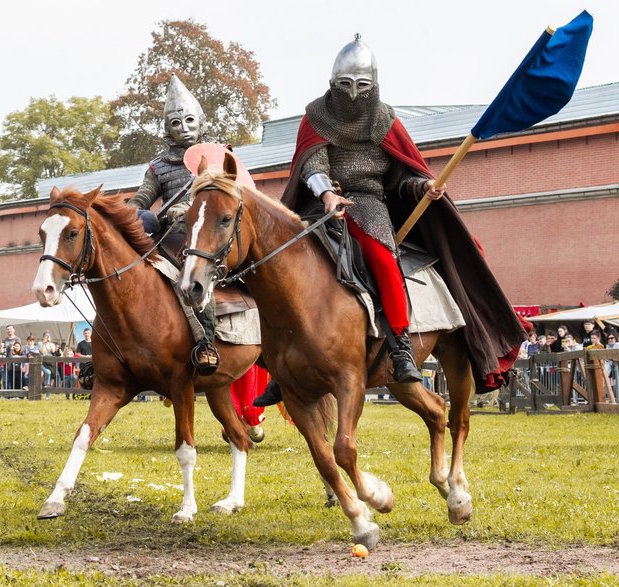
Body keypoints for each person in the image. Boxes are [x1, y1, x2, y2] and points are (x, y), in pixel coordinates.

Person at [257, 34, 525, 406]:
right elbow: (312, 162)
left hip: (369, 204)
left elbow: (401, 176)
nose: (353, 94)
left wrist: (423, 187)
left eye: (361, 85)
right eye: (345, 85)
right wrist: (327, 193)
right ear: (333, 83)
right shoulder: (316, 115)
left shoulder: (385, 119)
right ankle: (276, 364)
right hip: (322, 203)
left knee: (384, 259)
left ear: (374, 85)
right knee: (274, 262)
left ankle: (400, 347)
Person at [125, 74, 220, 375]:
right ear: (167, 130)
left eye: (190, 120)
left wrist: (190, 209)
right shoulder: (158, 167)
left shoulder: (216, 158)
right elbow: (142, 199)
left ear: (201, 122)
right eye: (176, 123)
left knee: (197, 278)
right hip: (169, 236)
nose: (185, 128)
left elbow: (222, 198)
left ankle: (206, 343)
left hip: (206, 237)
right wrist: (127, 213)